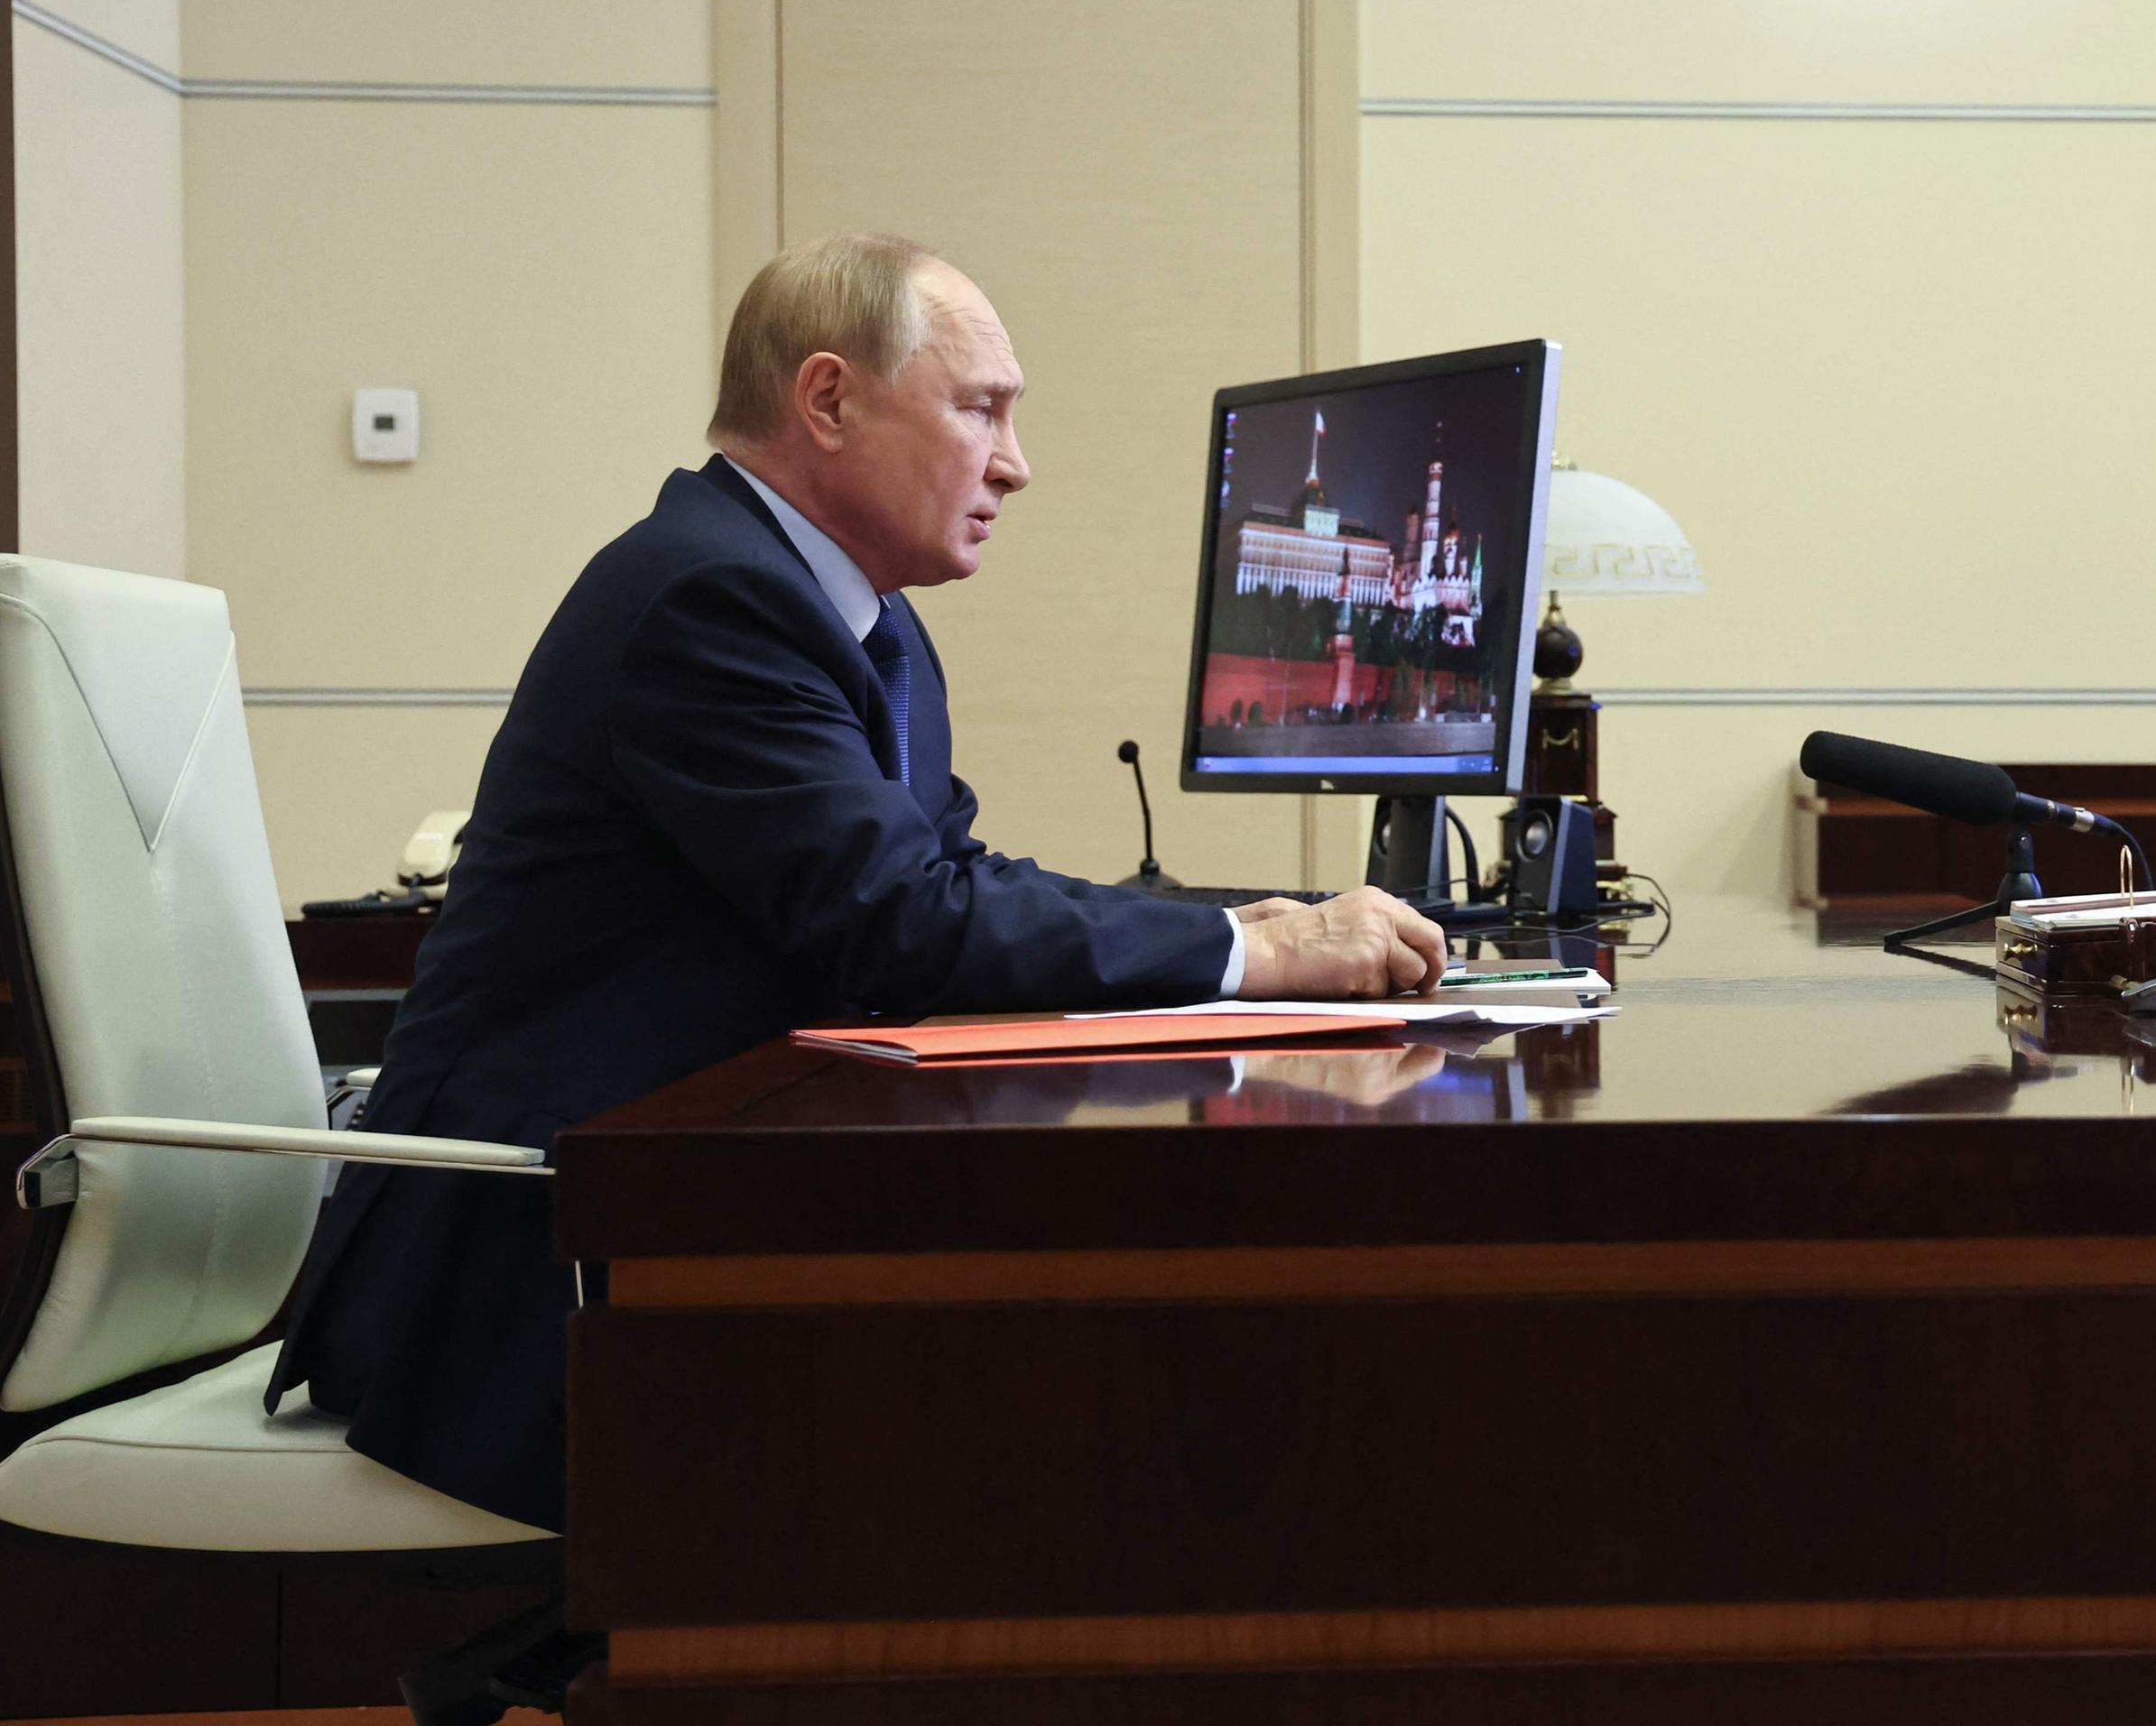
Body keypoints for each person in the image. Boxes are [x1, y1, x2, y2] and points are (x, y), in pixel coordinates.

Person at [264, 234, 1450, 1531]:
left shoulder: (859, 617)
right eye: (981, 408)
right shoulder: (707, 599)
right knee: (1053, 1454)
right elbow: (905, 926)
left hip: (665, 1219)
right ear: (826, 400)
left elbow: (940, 873)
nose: (1016, 463)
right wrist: (1253, 960)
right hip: (524, 1278)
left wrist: (1233, 929)